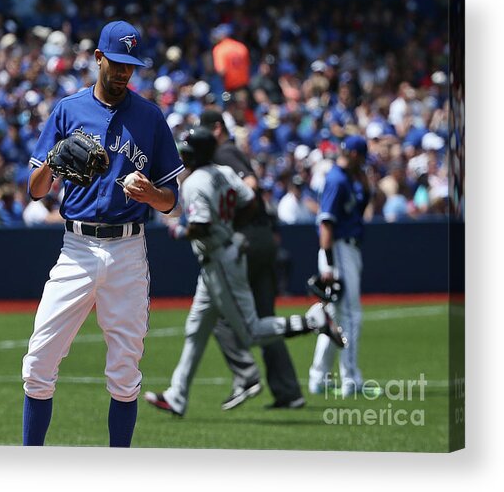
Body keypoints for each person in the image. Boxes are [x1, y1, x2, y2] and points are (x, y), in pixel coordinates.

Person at [21, 20, 184, 448]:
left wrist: (152, 194)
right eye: (116, 63)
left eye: (130, 66)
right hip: (76, 248)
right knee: (38, 364)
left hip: (129, 249)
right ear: (98, 59)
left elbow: (172, 201)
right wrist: (53, 164)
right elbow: (36, 192)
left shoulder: (149, 117)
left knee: (125, 375)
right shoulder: (68, 109)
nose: (123, 73)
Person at [144, 127, 346, 417]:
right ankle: (177, 395)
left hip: (219, 259)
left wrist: (178, 230)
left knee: (251, 331)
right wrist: (231, 226)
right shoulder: (223, 171)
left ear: (195, 153)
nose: (182, 153)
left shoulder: (195, 182)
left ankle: (313, 320)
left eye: (186, 149)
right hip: (222, 254)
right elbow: (251, 202)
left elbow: (200, 225)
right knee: (196, 329)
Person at [199, 109, 306, 411]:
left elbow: (250, 186)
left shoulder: (224, 151)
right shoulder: (230, 150)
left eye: (205, 131)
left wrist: (229, 221)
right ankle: (289, 391)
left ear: (217, 129)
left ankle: (246, 376)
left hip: (247, 239)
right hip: (261, 237)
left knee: (219, 311)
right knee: (263, 316)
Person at [308, 135, 370, 398]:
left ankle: (318, 377)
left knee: (334, 319)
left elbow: (362, 205)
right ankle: (351, 378)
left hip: (345, 248)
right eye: (363, 157)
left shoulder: (347, 179)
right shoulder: (336, 179)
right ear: (355, 155)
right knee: (351, 316)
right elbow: (326, 224)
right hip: (339, 249)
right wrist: (329, 265)